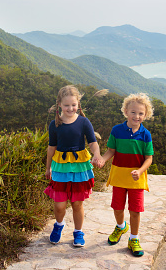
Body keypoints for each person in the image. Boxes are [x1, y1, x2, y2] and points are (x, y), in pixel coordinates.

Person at [94, 93, 154, 257]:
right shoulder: (117, 130)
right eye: (133, 112)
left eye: (141, 113)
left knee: (135, 211)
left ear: (145, 115)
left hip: (137, 180)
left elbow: (149, 159)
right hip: (119, 177)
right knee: (117, 207)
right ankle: (121, 226)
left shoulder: (145, 134)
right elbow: (111, 151)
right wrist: (103, 160)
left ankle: (133, 239)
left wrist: (140, 171)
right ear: (126, 111)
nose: (137, 116)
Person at [44, 85, 102, 247]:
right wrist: (48, 168)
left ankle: (78, 232)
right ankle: (59, 225)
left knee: (77, 203)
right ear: (59, 105)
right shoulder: (54, 124)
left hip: (80, 167)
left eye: (74, 105)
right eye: (67, 105)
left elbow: (92, 142)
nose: (70, 108)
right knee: (59, 204)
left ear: (78, 105)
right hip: (60, 167)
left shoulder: (83, 121)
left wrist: (96, 155)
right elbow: (51, 148)